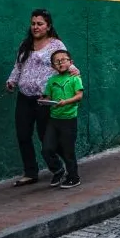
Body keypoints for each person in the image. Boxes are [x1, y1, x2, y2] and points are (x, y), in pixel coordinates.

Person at [6, 9, 78, 187]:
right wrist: (11, 81)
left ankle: (63, 168)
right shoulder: (26, 44)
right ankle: (30, 172)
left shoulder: (55, 45)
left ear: (48, 26)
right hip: (24, 97)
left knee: (45, 137)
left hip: (44, 99)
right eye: (33, 23)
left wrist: (74, 70)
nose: (35, 27)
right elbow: (18, 66)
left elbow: (66, 63)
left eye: (40, 24)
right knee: (23, 134)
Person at [41, 50, 84, 189]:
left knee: (68, 150)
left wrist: (65, 102)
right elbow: (47, 97)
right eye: (57, 61)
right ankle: (58, 170)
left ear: (71, 62)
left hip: (69, 120)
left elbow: (79, 96)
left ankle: (73, 177)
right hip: (54, 120)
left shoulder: (74, 78)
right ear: (53, 66)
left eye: (64, 60)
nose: (60, 63)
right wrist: (43, 101)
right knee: (47, 148)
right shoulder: (52, 80)